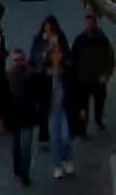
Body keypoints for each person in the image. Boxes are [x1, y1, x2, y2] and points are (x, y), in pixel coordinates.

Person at [74, 13, 114, 132]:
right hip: (83, 80)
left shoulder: (103, 40)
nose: (89, 27)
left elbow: (110, 61)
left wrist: (106, 76)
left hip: (98, 80)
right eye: (87, 24)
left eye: (91, 24)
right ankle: (83, 127)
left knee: (99, 103)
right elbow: (73, 59)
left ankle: (98, 120)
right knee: (83, 106)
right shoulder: (79, 41)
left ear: (96, 25)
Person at [49, 42, 82, 178]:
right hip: (51, 110)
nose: (58, 55)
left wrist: (80, 107)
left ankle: (67, 159)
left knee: (66, 137)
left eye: (59, 52)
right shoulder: (46, 71)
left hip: (65, 108)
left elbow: (76, 89)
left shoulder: (68, 69)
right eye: (55, 52)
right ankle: (57, 165)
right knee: (55, 139)